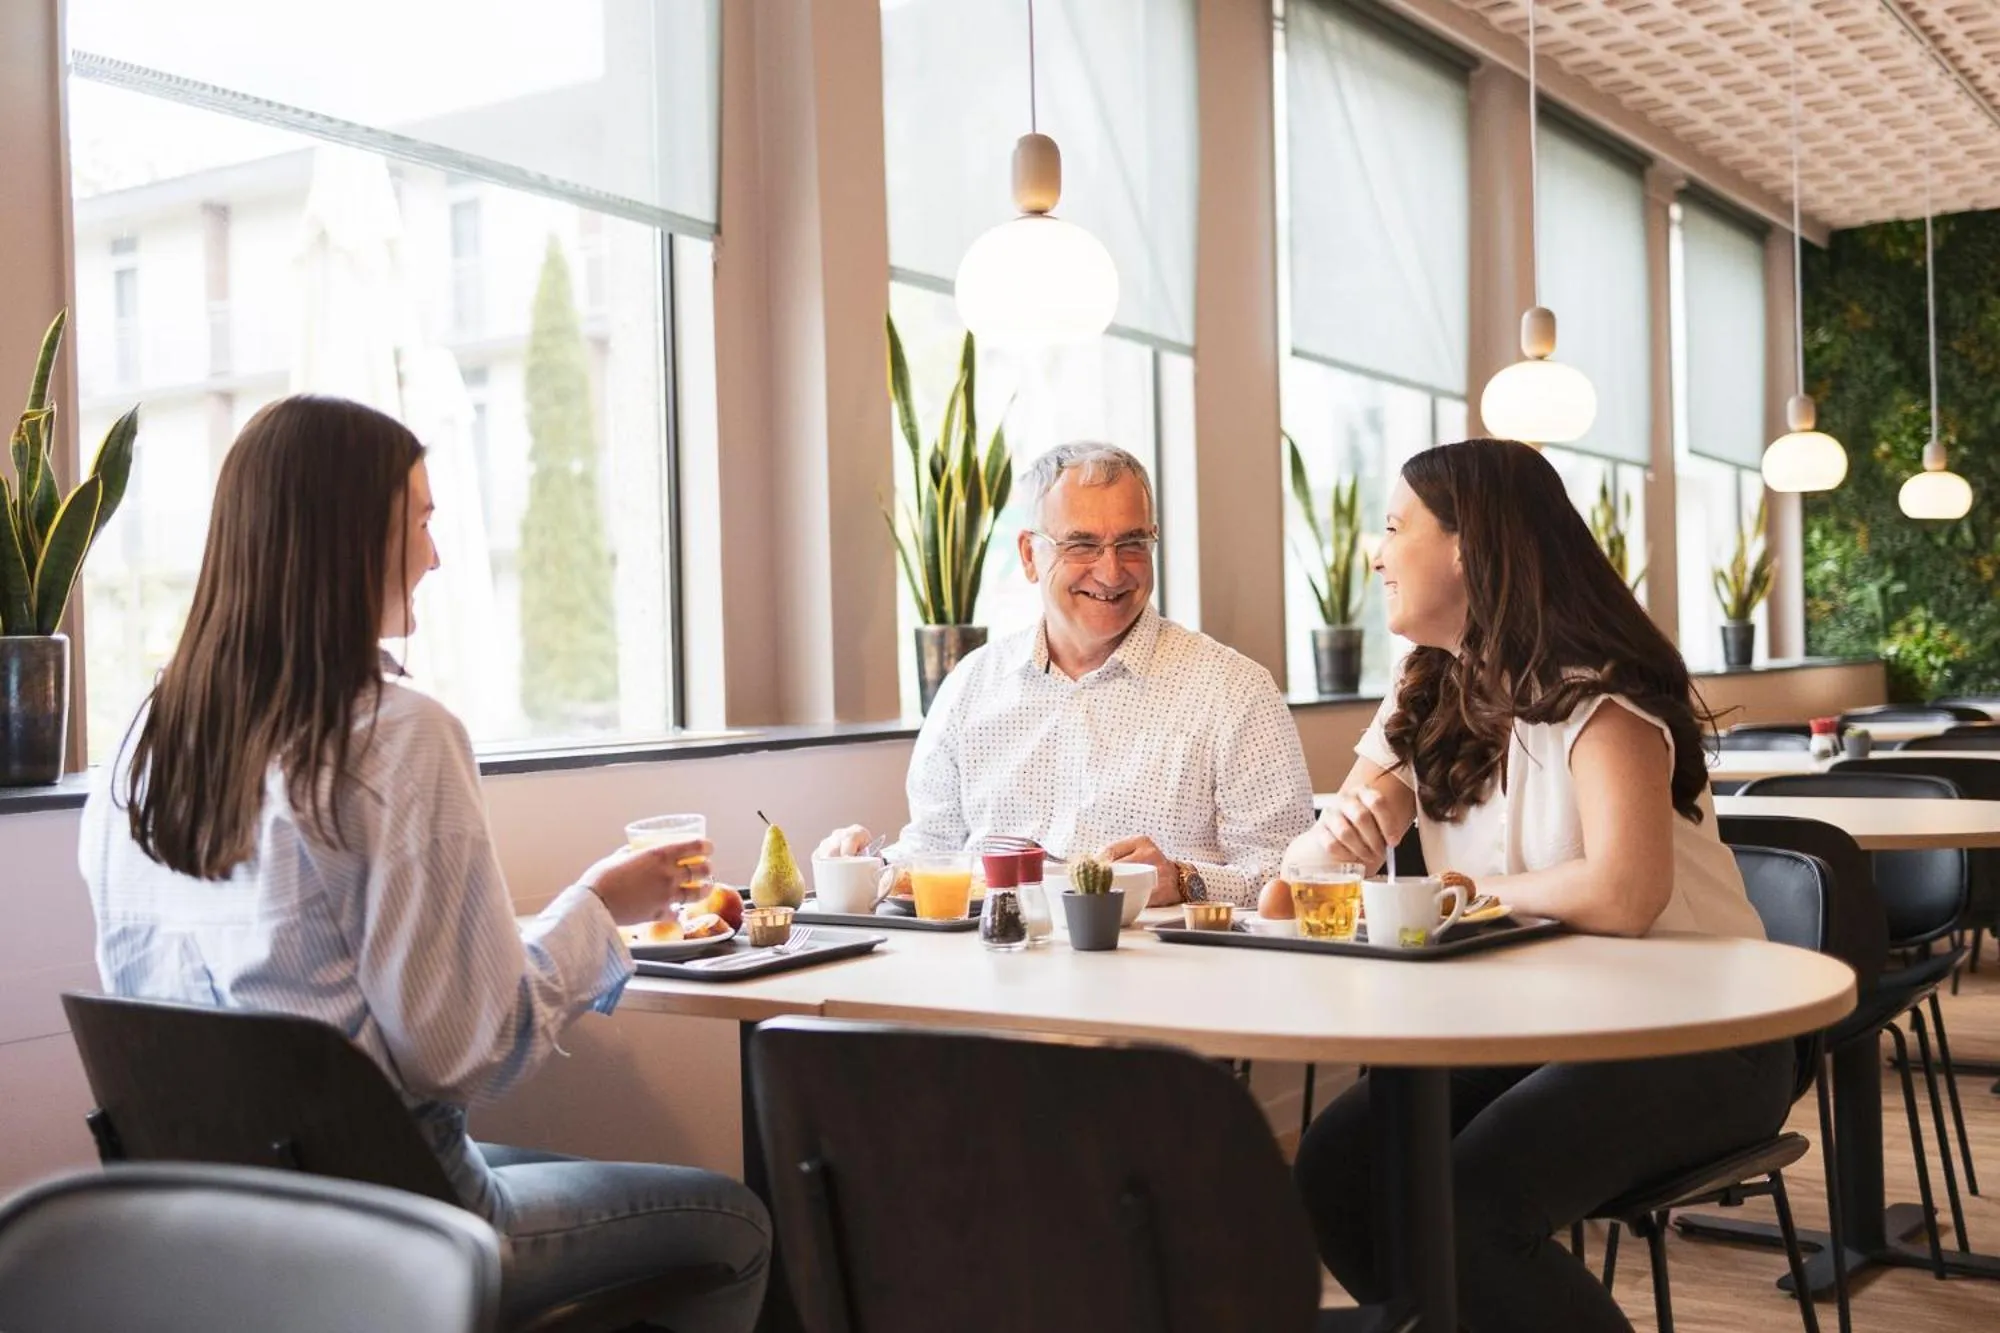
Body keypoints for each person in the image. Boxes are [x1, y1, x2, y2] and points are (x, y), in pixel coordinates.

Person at [79, 395, 770, 1332]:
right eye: (423, 519)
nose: (436, 555)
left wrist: (582, 910)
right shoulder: (400, 735)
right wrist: (595, 909)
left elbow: (327, 986)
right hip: (393, 1213)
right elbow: (455, 1052)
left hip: (211, 1211)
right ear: (351, 534)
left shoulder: (139, 743)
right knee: (735, 1219)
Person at [1289, 439, 1786, 1332]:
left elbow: (1627, 891)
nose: (1373, 552)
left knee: (1469, 1207)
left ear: (1467, 548)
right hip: (1539, 1028)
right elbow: (1320, 865)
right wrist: (1330, 848)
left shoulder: (1604, 694)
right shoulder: (1427, 685)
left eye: (1395, 527)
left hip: (1701, 1032)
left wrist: (1478, 887)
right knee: (1336, 1166)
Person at [819, 443, 1312, 906]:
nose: (1112, 571)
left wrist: (1185, 880)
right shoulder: (970, 688)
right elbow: (933, 848)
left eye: (1132, 542)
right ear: (1030, 556)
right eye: (1081, 545)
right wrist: (867, 867)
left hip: (1160, 983)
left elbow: (1293, 875)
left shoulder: (1235, 691)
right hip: (990, 973)